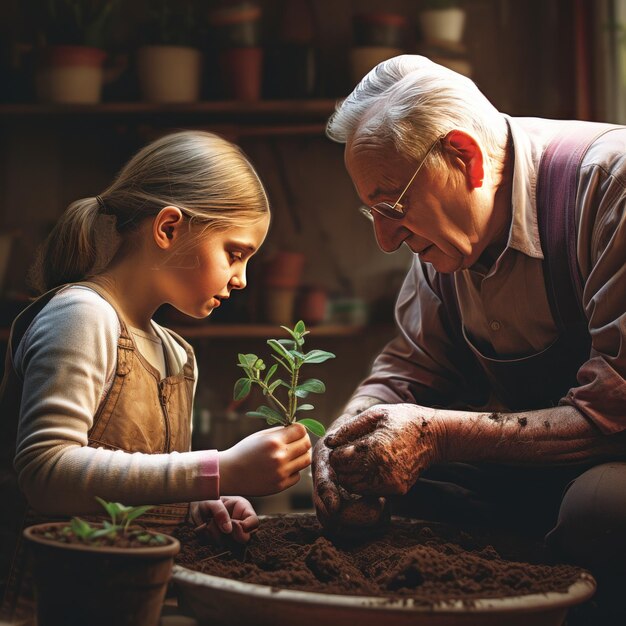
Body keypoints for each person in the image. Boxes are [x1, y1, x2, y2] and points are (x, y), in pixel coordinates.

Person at [312, 55, 626, 623]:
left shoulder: (611, 188)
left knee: (600, 508)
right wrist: (345, 438)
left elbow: (616, 412)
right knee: (388, 490)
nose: (384, 240)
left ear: (465, 157)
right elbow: (409, 368)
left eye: (391, 207)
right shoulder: (445, 238)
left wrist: (437, 435)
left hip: (615, 460)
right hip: (547, 464)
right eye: (372, 214)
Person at [0, 130, 312, 614]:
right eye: (235, 252)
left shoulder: (176, 354)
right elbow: (46, 471)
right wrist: (216, 468)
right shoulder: (82, 316)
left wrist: (200, 503)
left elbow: (142, 477)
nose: (242, 278)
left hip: (129, 601)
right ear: (168, 228)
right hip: (46, 604)